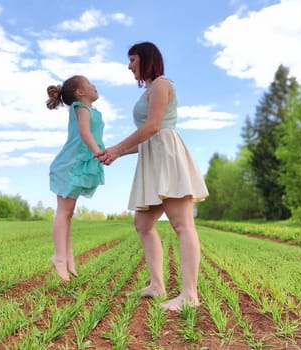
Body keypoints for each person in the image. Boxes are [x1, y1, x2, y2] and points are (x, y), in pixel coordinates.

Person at [97, 42, 209, 311]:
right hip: (154, 159)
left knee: (182, 225)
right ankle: (157, 285)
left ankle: (189, 295)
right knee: (143, 224)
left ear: (145, 59)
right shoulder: (149, 89)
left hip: (168, 159)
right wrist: (116, 153)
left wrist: (118, 147)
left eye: (132, 59)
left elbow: (154, 126)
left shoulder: (161, 84)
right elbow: (148, 136)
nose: (129, 66)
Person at [46, 75, 105, 282]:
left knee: (69, 212)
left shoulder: (91, 110)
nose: (93, 85)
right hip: (69, 166)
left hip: (78, 164)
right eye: (89, 83)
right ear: (80, 93)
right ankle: (59, 258)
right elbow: (84, 131)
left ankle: (68, 256)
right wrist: (97, 151)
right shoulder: (80, 107)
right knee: (64, 212)